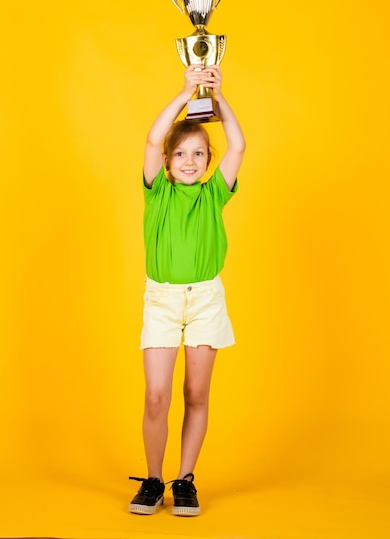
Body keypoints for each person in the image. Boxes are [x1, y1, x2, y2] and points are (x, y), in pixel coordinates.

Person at [129, 63, 246, 517]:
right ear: (167, 163)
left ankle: (185, 480)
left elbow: (237, 143)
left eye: (199, 154)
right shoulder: (156, 193)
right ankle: (154, 479)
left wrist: (217, 101)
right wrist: (184, 94)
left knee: (196, 393)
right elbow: (151, 139)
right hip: (161, 298)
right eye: (181, 155)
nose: (190, 162)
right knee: (157, 393)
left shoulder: (215, 192)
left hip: (205, 300)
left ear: (208, 162)